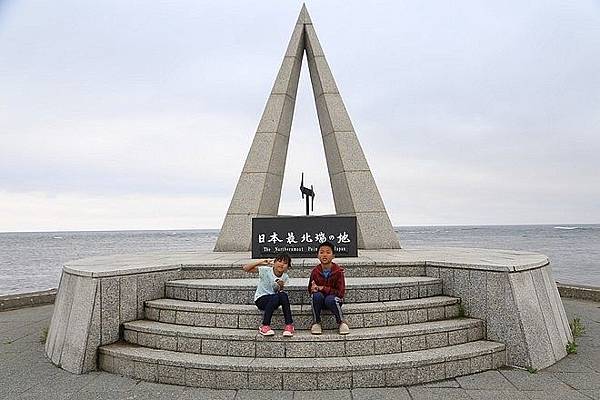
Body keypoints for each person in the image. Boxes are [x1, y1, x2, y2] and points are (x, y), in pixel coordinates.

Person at [243, 253, 295, 336]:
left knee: (283, 295)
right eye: (279, 261)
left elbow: (279, 292)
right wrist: (262, 261)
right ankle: (265, 326)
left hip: (273, 301)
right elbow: (246, 268)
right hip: (261, 299)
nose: (281, 264)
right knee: (275, 297)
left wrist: (281, 287)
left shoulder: (285, 277)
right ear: (274, 263)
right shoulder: (265, 270)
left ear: (288, 267)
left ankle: (289, 325)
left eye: (285, 263)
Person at [307, 241, 349, 335]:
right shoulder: (315, 271)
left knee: (330, 299)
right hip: (320, 301)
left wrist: (323, 288)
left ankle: (341, 322)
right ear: (317, 255)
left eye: (328, 252)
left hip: (334, 300)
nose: (324, 255)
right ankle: (316, 322)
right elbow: (310, 288)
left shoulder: (338, 272)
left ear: (333, 256)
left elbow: (340, 293)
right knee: (316, 296)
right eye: (321, 252)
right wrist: (313, 289)